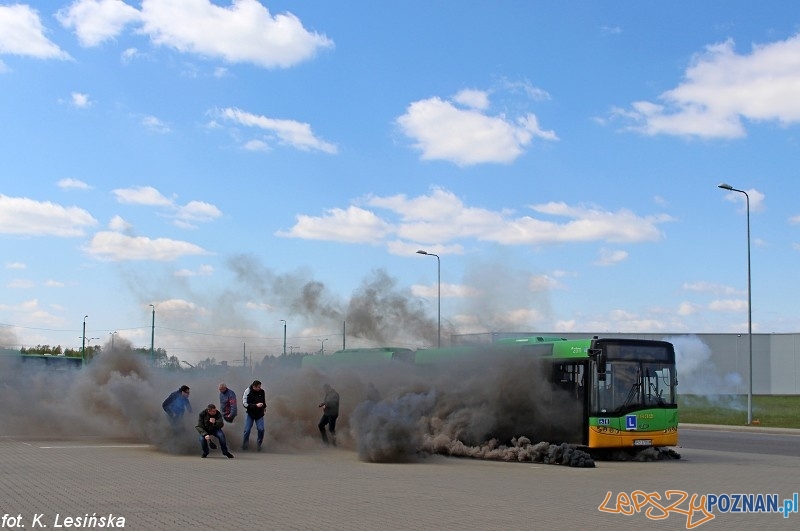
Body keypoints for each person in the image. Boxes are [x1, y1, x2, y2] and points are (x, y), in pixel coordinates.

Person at [242, 380, 267, 451]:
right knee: (247, 430)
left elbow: (263, 400)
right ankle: (245, 446)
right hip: (250, 413)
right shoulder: (247, 391)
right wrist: (255, 405)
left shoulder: (262, 392)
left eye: (260, 387)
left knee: (261, 429)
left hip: (259, 414)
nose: (259, 388)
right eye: (258, 387)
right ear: (254, 386)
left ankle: (259, 445)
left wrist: (264, 407)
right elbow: (245, 404)